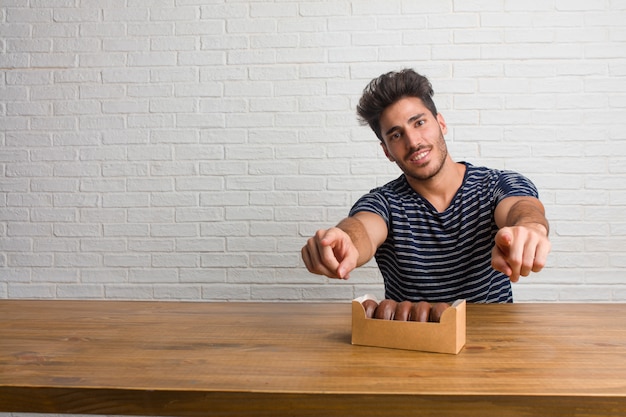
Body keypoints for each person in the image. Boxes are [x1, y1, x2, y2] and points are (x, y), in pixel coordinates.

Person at [301, 69, 551, 303]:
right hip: (410, 344)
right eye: (396, 135)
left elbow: (522, 206)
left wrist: (529, 228)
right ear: (386, 151)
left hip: (492, 342)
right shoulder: (384, 202)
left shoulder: (496, 184)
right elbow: (361, 229)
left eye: (419, 123)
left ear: (441, 123)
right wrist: (343, 240)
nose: (413, 141)